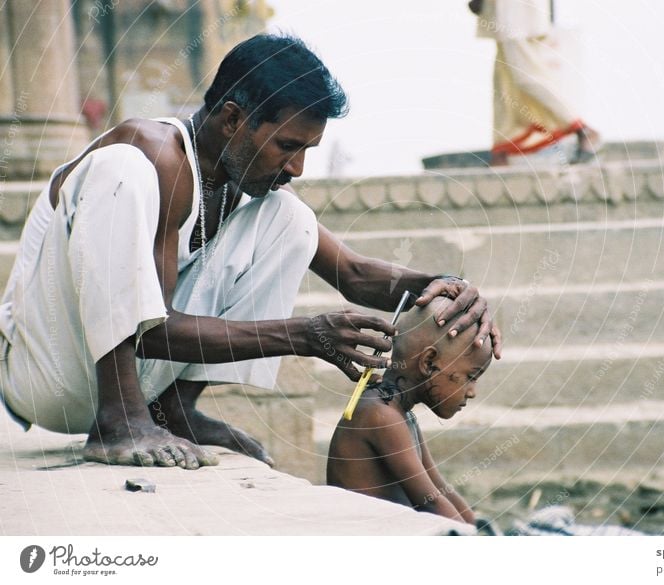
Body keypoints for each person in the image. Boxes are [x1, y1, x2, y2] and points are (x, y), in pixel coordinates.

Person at [0, 34, 501, 470]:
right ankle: (120, 420)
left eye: (307, 149)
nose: (299, 167)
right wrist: (303, 335)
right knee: (122, 169)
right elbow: (149, 332)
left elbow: (353, 274)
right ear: (233, 120)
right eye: (288, 145)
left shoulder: (247, 187)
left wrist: (450, 288)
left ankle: (170, 410)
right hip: (46, 375)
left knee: (292, 220)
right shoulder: (149, 155)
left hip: (135, 379)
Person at [327, 297, 492, 524]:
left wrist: (474, 527)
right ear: (428, 362)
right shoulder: (381, 416)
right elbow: (430, 502)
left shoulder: (402, 415)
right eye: (470, 377)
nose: (472, 392)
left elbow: (441, 488)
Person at [468, 0, 601, 165]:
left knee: (525, 76)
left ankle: (581, 128)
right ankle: (501, 150)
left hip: (517, 13)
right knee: (504, 79)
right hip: (506, 11)